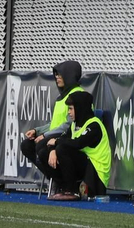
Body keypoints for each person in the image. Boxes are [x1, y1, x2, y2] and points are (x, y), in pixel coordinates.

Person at [20, 60, 83, 188]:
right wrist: (37, 131)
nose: (56, 77)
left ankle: (63, 183)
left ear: (69, 75)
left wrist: (46, 135)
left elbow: (69, 125)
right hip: (54, 135)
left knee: (42, 146)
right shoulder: (62, 97)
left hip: (67, 137)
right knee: (26, 145)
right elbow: (55, 123)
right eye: (56, 75)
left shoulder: (78, 95)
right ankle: (54, 177)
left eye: (60, 75)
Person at [46, 89, 111, 201]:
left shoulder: (94, 125)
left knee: (62, 149)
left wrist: (56, 144)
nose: (68, 112)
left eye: (71, 109)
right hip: (84, 166)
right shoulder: (74, 125)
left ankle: (71, 191)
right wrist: (52, 149)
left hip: (96, 173)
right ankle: (63, 186)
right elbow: (62, 138)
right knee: (44, 152)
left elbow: (78, 143)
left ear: (80, 108)